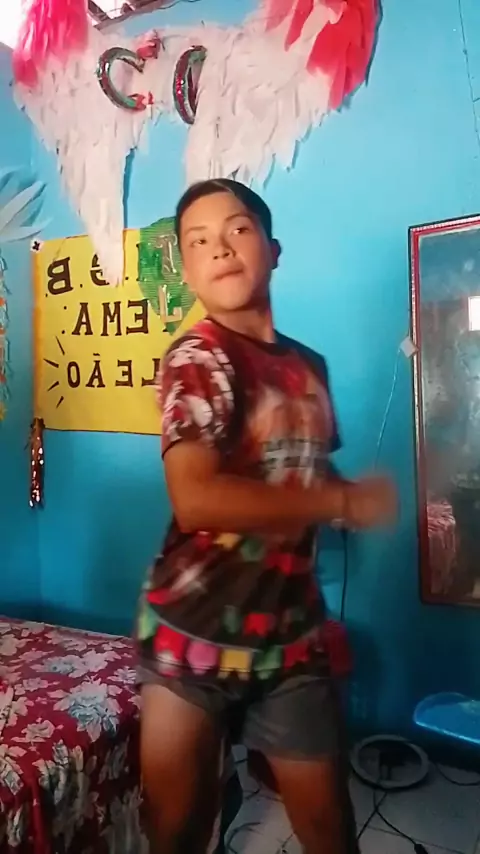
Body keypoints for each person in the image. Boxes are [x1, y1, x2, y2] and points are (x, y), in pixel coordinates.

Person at [135, 178, 397, 854]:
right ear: (187, 269)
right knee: (177, 829)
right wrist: (338, 502)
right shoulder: (198, 358)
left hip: (289, 637)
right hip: (191, 630)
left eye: (237, 229)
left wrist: (346, 495)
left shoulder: (309, 367)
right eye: (198, 241)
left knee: (329, 827)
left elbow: (303, 469)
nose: (219, 248)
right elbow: (195, 497)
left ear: (273, 249)